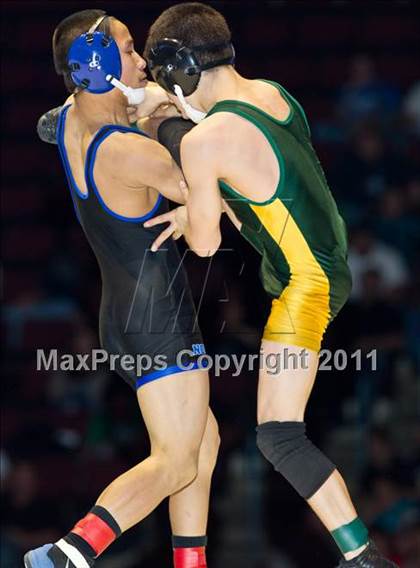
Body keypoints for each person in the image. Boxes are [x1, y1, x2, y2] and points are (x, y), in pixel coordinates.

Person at [141, 3, 399, 566]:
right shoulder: (275, 93)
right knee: (278, 433)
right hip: (326, 262)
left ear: (178, 70)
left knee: (278, 435)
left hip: (306, 286)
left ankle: (365, 559)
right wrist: (199, 203)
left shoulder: (208, 141)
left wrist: (161, 128)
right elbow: (263, 190)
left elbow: (207, 246)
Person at [25, 9, 219, 568]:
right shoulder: (131, 151)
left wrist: (134, 102)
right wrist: (167, 113)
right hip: (160, 315)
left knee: (201, 443)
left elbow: (53, 117)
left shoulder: (65, 125)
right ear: (98, 64)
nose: (141, 60)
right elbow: (215, 200)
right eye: (130, 50)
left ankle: (190, 563)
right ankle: (68, 554)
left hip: (120, 314)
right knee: (177, 461)